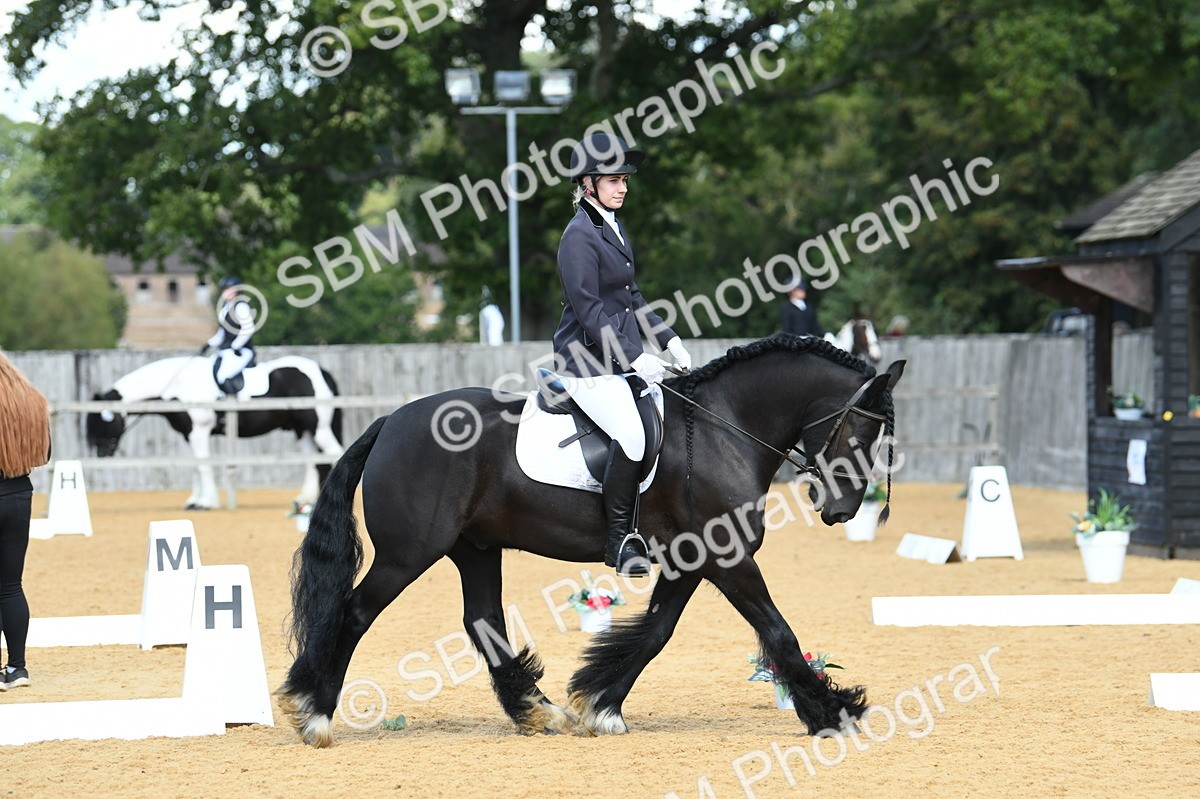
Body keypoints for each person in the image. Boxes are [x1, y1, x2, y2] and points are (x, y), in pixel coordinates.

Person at [551, 132, 691, 576]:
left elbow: (632, 296)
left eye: (625, 179)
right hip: (585, 363)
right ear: (589, 184)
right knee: (631, 435)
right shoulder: (578, 237)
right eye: (613, 180)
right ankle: (619, 542)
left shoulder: (611, 226)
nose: (623, 187)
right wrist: (635, 356)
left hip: (617, 360)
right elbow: (589, 309)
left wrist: (668, 339)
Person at [0, 350, 51, 691]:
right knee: (10, 586)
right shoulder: (31, 400)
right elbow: (45, 454)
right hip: (18, 494)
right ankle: (17, 667)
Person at [200, 276, 257, 395]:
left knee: (223, 375)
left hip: (242, 351)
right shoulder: (226, 308)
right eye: (224, 290)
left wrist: (236, 346)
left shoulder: (241, 306)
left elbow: (248, 329)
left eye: (230, 289)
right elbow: (222, 333)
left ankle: (233, 404)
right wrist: (209, 344)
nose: (226, 293)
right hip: (228, 351)